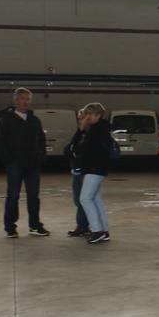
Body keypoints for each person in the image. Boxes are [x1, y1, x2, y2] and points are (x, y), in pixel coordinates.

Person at [0, 87, 48, 238]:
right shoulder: (6, 120)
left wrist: (41, 155)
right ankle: (10, 227)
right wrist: (9, 161)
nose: (26, 102)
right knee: (13, 195)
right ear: (16, 100)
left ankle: (35, 226)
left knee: (33, 196)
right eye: (23, 99)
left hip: (33, 165)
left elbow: (41, 140)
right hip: (15, 165)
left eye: (28, 99)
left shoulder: (34, 120)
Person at [71, 103, 114, 244]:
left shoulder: (98, 130)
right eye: (86, 114)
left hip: (94, 169)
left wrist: (82, 133)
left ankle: (97, 231)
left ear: (98, 115)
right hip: (94, 169)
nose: (87, 116)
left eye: (90, 114)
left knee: (85, 199)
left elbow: (80, 149)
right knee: (95, 199)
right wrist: (82, 130)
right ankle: (104, 231)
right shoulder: (96, 129)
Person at [64, 109, 91, 237]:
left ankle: (83, 226)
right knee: (77, 201)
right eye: (79, 119)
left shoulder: (90, 134)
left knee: (83, 200)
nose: (81, 121)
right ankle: (82, 226)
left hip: (86, 173)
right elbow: (68, 149)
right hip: (76, 172)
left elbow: (76, 150)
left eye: (83, 118)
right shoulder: (79, 134)